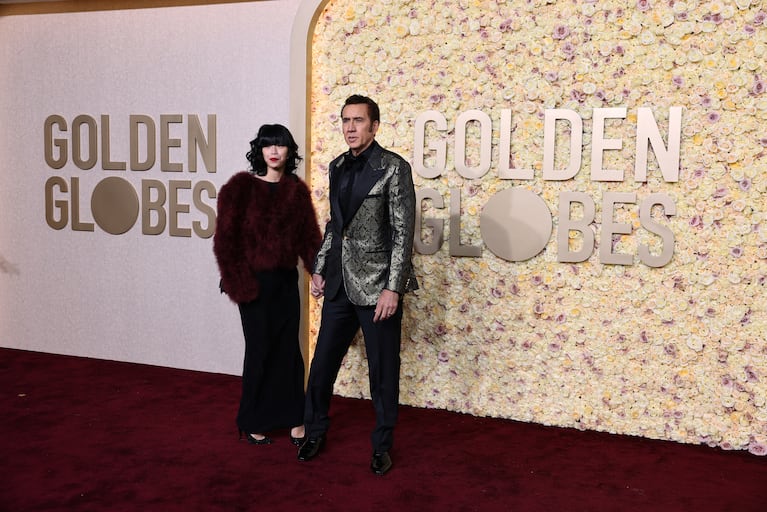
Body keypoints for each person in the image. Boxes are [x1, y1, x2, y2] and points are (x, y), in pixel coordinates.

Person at [298, 95, 418, 475]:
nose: (350, 128)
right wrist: (319, 268)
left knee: (382, 372)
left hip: (378, 287)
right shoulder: (336, 166)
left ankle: (382, 445)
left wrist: (393, 288)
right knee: (321, 366)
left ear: (375, 126)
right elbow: (337, 226)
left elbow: (403, 232)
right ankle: (314, 430)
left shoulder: (394, 168)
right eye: (345, 120)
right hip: (338, 285)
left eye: (358, 121)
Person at [213, 124, 321, 447]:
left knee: (290, 352)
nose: (274, 151)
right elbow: (225, 241)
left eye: (280, 145)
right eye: (267, 145)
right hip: (253, 285)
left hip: (286, 283)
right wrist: (238, 284)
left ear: (289, 151)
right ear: (259, 150)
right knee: (260, 352)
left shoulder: (296, 191)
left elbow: (309, 237)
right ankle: (253, 420)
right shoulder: (240, 188)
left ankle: (295, 419)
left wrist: (317, 272)